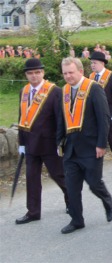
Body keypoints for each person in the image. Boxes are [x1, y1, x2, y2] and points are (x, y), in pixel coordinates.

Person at [57, 57, 112, 234]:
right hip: (71, 149)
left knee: (94, 183)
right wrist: (58, 141)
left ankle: (107, 200)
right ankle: (77, 220)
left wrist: (101, 144)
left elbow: (103, 118)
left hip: (91, 147)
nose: (68, 76)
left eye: (71, 72)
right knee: (72, 187)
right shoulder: (64, 91)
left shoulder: (94, 88)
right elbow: (62, 119)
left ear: (80, 71)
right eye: (65, 73)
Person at [15, 58, 69, 224]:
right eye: (30, 73)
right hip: (31, 143)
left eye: (37, 72)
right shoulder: (24, 91)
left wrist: (61, 142)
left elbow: (61, 119)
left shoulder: (54, 92)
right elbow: (22, 118)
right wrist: (21, 142)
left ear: (43, 73)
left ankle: (71, 201)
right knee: (32, 178)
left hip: (49, 143)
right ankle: (33, 212)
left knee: (58, 175)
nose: (34, 76)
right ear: (26, 75)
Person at [89, 51, 112, 173]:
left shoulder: (111, 76)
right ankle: (94, 167)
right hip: (94, 114)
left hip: (109, 114)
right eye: (91, 63)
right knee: (94, 140)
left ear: (102, 63)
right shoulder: (91, 77)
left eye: (95, 63)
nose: (92, 65)